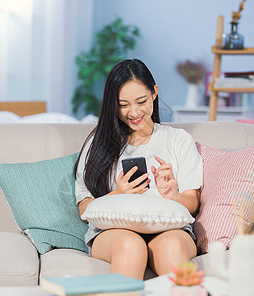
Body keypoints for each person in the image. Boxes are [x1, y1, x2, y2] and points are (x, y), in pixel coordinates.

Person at [74, 59, 203, 280]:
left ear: (154, 93)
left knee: (171, 248)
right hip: (112, 233)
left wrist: (173, 195)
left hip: (168, 229)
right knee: (131, 246)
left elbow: (192, 203)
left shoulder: (178, 140)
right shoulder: (98, 143)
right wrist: (116, 195)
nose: (133, 112)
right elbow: (84, 208)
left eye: (141, 101)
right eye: (123, 105)